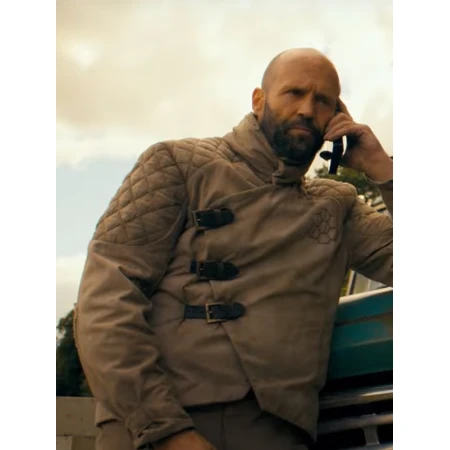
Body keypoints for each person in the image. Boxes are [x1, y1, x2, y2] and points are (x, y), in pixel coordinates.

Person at [74, 48, 393, 450]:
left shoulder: (336, 205)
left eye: (323, 101)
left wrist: (383, 170)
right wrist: (164, 428)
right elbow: (106, 300)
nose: (307, 110)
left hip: (274, 432)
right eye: (294, 93)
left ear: (337, 116)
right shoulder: (179, 163)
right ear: (259, 100)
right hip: (157, 423)